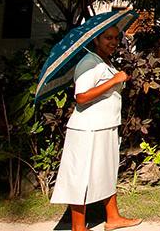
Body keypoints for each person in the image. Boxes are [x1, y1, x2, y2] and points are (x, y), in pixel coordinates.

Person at [50, 25, 141, 231]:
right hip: (88, 130)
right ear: (96, 40)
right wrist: (114, 80)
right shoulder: (88, 62)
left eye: (116, 38)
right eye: (108, 38)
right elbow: (81, 97)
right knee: (81, 176)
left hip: (106, 126)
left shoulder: (105, 62)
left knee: (107, 172)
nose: (113, 42)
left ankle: (113, 218)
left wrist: (115, 78)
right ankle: (78, 227)